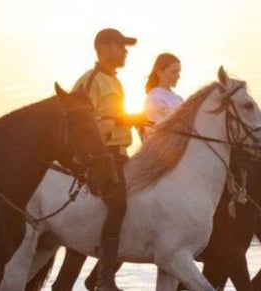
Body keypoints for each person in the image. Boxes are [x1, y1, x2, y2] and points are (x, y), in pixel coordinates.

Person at [70, 28, 139, 291]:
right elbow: (81, 124)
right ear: (103, 47)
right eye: (121, 46)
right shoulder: (91, 80)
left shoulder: (115, 81)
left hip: (121, 154)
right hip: (102, 158)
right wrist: (122, 121)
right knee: (119, 205)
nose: (125, 52)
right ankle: (103, 279)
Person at [141, 53, 184, 141]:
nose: (178, 76)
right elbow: (154, 134)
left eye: (179, 72)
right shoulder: (154, 98)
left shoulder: (179, 98)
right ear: (159, 72)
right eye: (174, 72)